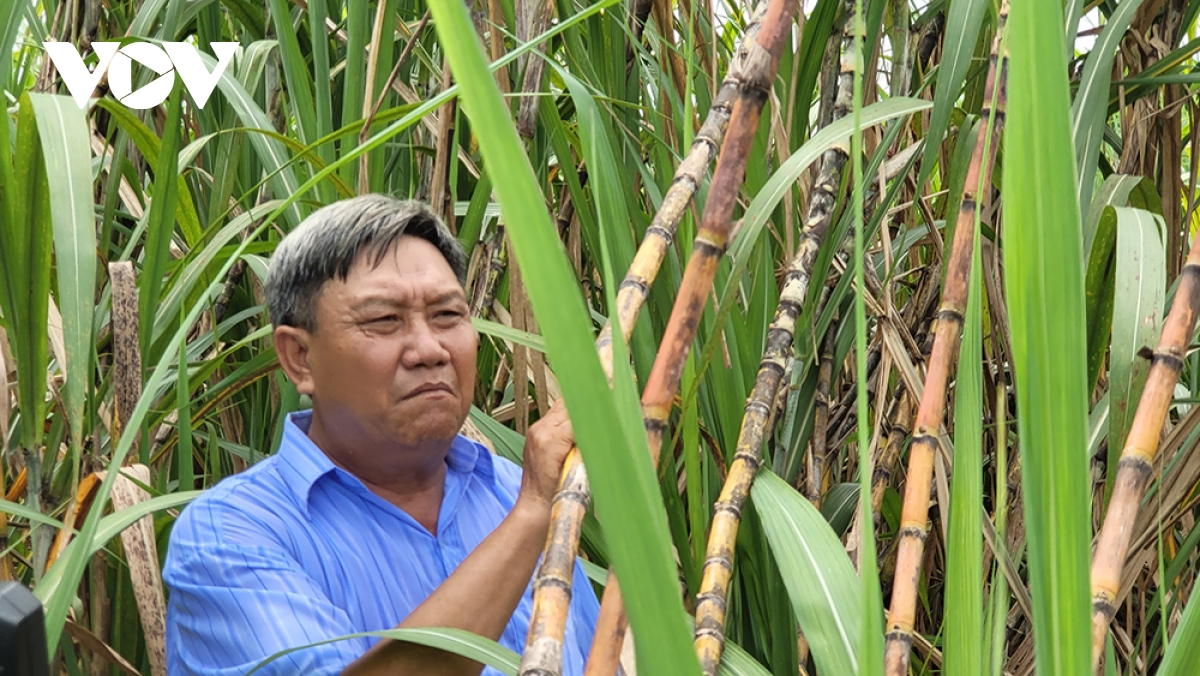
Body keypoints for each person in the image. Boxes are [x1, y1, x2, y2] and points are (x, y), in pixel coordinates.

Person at [163, 195, 599, 675]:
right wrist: (534, 513)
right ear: (300, 359)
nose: (429, 349)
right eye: (384, 321)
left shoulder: (507, 489)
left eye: (448, 316)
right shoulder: (230, 536)